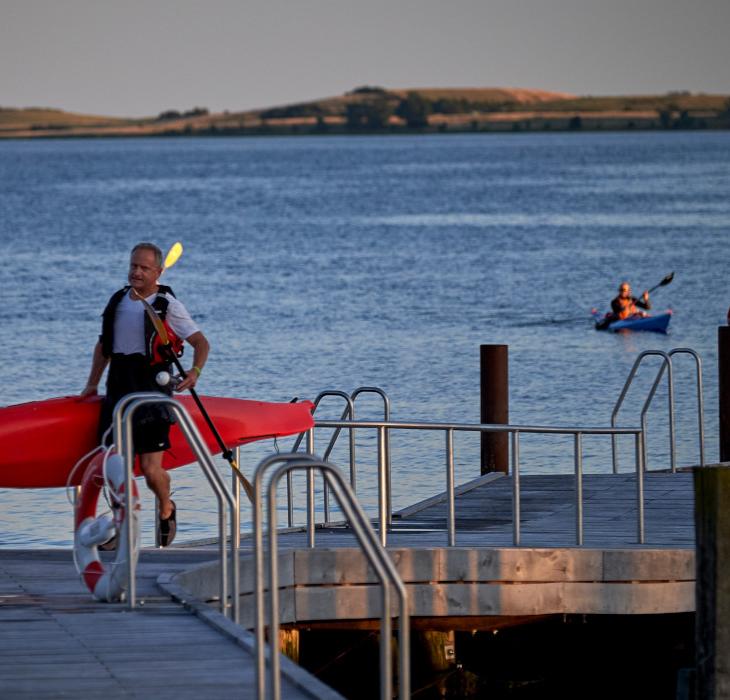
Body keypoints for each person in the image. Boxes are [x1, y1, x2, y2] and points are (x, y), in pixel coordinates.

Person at [80, 242, 209, 547]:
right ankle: (119, 527)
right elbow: (103, 347)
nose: (136, 272)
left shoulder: (168, 305)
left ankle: (166, 507)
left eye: (144, 268)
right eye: (133, 266)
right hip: (119, 384)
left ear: (158, 272)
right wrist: (91, 384)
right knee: (114, 464)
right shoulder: (117, 301)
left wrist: (194, 373)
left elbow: (201, 343)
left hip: (152, 387)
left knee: (151, 471)